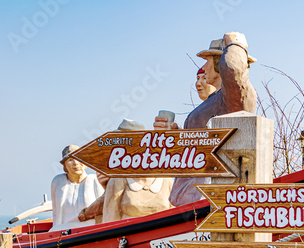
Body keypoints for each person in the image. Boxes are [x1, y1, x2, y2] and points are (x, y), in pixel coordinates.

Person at [154, 32, 257, 206]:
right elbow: (196, 150)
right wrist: (176, 137)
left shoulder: (232, 98)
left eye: (208, 61)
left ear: (221, 62)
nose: (204, 67)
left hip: (210, 200)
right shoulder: (215, 100)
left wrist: (235, 44)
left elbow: (233, 72)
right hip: (190, 199)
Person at [77, 119, 174, 224]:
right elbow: (110, 222)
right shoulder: (118, 180)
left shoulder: (166, 181)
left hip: (162, 238)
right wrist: (86, 213)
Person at [50, 145, 104, 231]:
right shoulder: (58, 182)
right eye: (70, 160)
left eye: (79, 158)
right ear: (65, 165)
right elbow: (56, 214)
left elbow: (103, 208)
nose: (76, 163)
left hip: (91, 228)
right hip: (64, 232)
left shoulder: (94, 180)